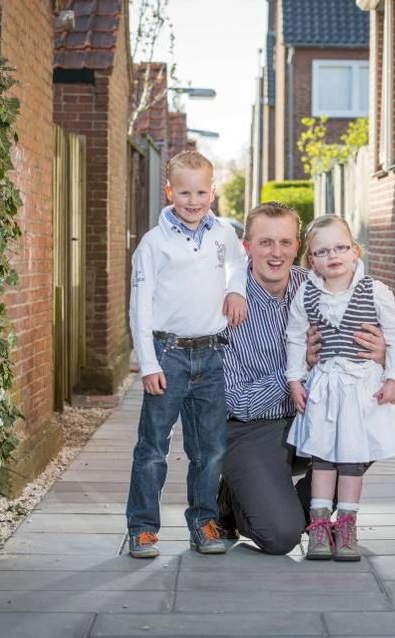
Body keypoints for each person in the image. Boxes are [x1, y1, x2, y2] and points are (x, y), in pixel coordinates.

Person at [220, 203, 387, 555]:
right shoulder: (227, 303)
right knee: (281, 536)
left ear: (299, 246)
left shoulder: (321, 287)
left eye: (285, 242)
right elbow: (234, 401)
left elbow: (367, 339)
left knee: (368, 428)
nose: (276, 253)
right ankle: (234, 496)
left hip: (310, 417)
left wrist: (378, 353)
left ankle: (315, 513)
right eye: (265, 243)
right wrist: (297, 373)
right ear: (247, 247)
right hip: (250, 427)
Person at [126, 150, 248, 559]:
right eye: (184, 192)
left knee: (209, 448)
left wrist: (235, 289)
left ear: (212, 191)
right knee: (153, 448)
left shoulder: (223, 233)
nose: (193, 201)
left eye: (200, 192)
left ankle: (203, 522)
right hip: (169, 353)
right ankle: (142, 528)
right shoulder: (154, 243)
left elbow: (238, 261)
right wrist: (148, 363)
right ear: (169, 192)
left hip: (212, 356)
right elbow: (140, 306)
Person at [286, 215, 395, 561]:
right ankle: (319, 528)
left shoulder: (375, 290)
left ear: (355, 251)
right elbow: (295, 337)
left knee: (353, 459)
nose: (333, 255)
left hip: (361, 386)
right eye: (322, 251)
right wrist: (295, 379)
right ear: (312, 260)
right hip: (325, 386)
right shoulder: (307, 293)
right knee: (323, 457)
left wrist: (394, 377)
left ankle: (347, 524)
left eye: (341, 247)